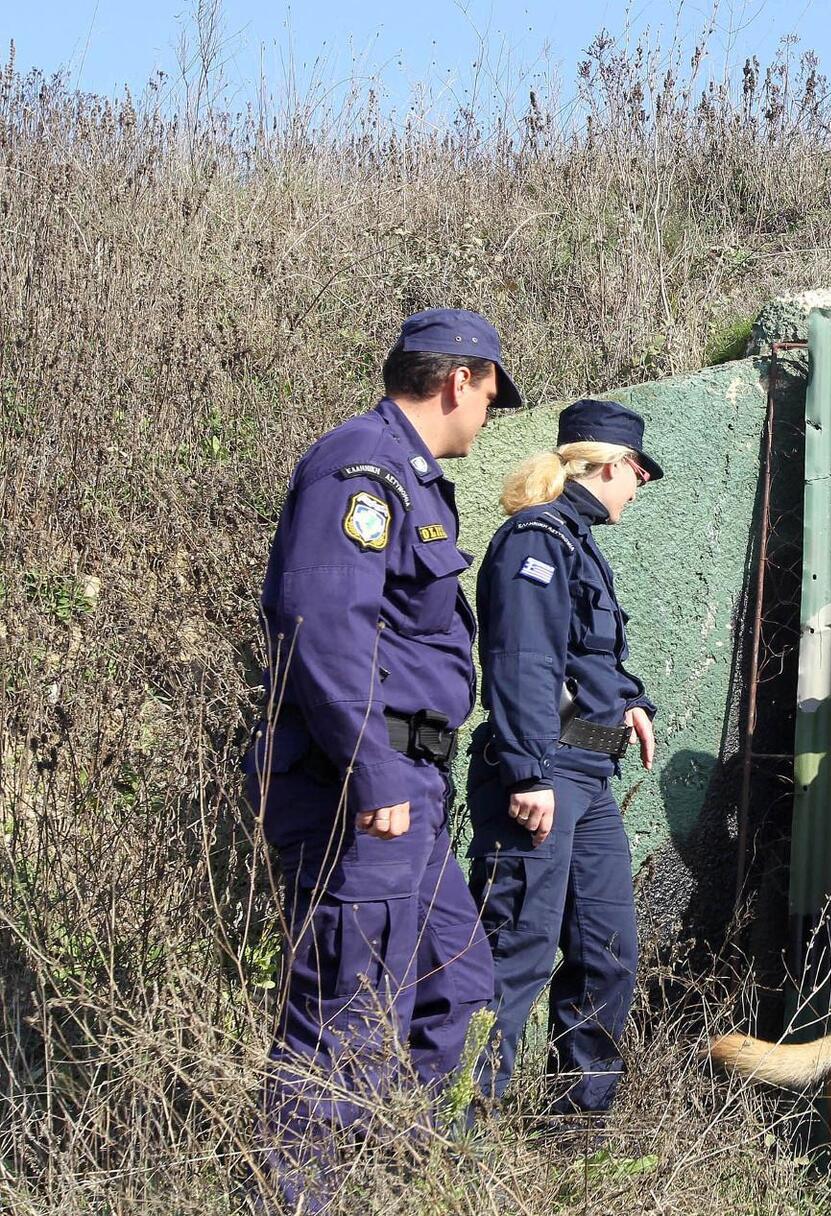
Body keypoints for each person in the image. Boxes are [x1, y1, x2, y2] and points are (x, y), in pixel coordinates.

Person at [245, 308, 520, 1204]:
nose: (489, 416)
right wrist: (376, 769)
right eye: (489, 395)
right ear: (458, 382)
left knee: (456, 980)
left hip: (412, 786)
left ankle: (386, 1177)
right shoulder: (360, 467)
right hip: (365, 789)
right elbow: (323, 628)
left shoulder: (414, 477)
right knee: (347, 1015)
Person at [464, 398, 663, 1124]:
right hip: (545, 772)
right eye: (636, 473)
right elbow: (522, 661)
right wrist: (527, 773)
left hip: (587, 773)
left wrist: (630, 699)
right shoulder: (535, 540)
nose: (638, 488)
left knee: (606, 950)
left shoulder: (575, 543)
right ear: (606, 465)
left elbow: (585, 651)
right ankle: (456, 1132)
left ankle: (577, 1127)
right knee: (513, 955)